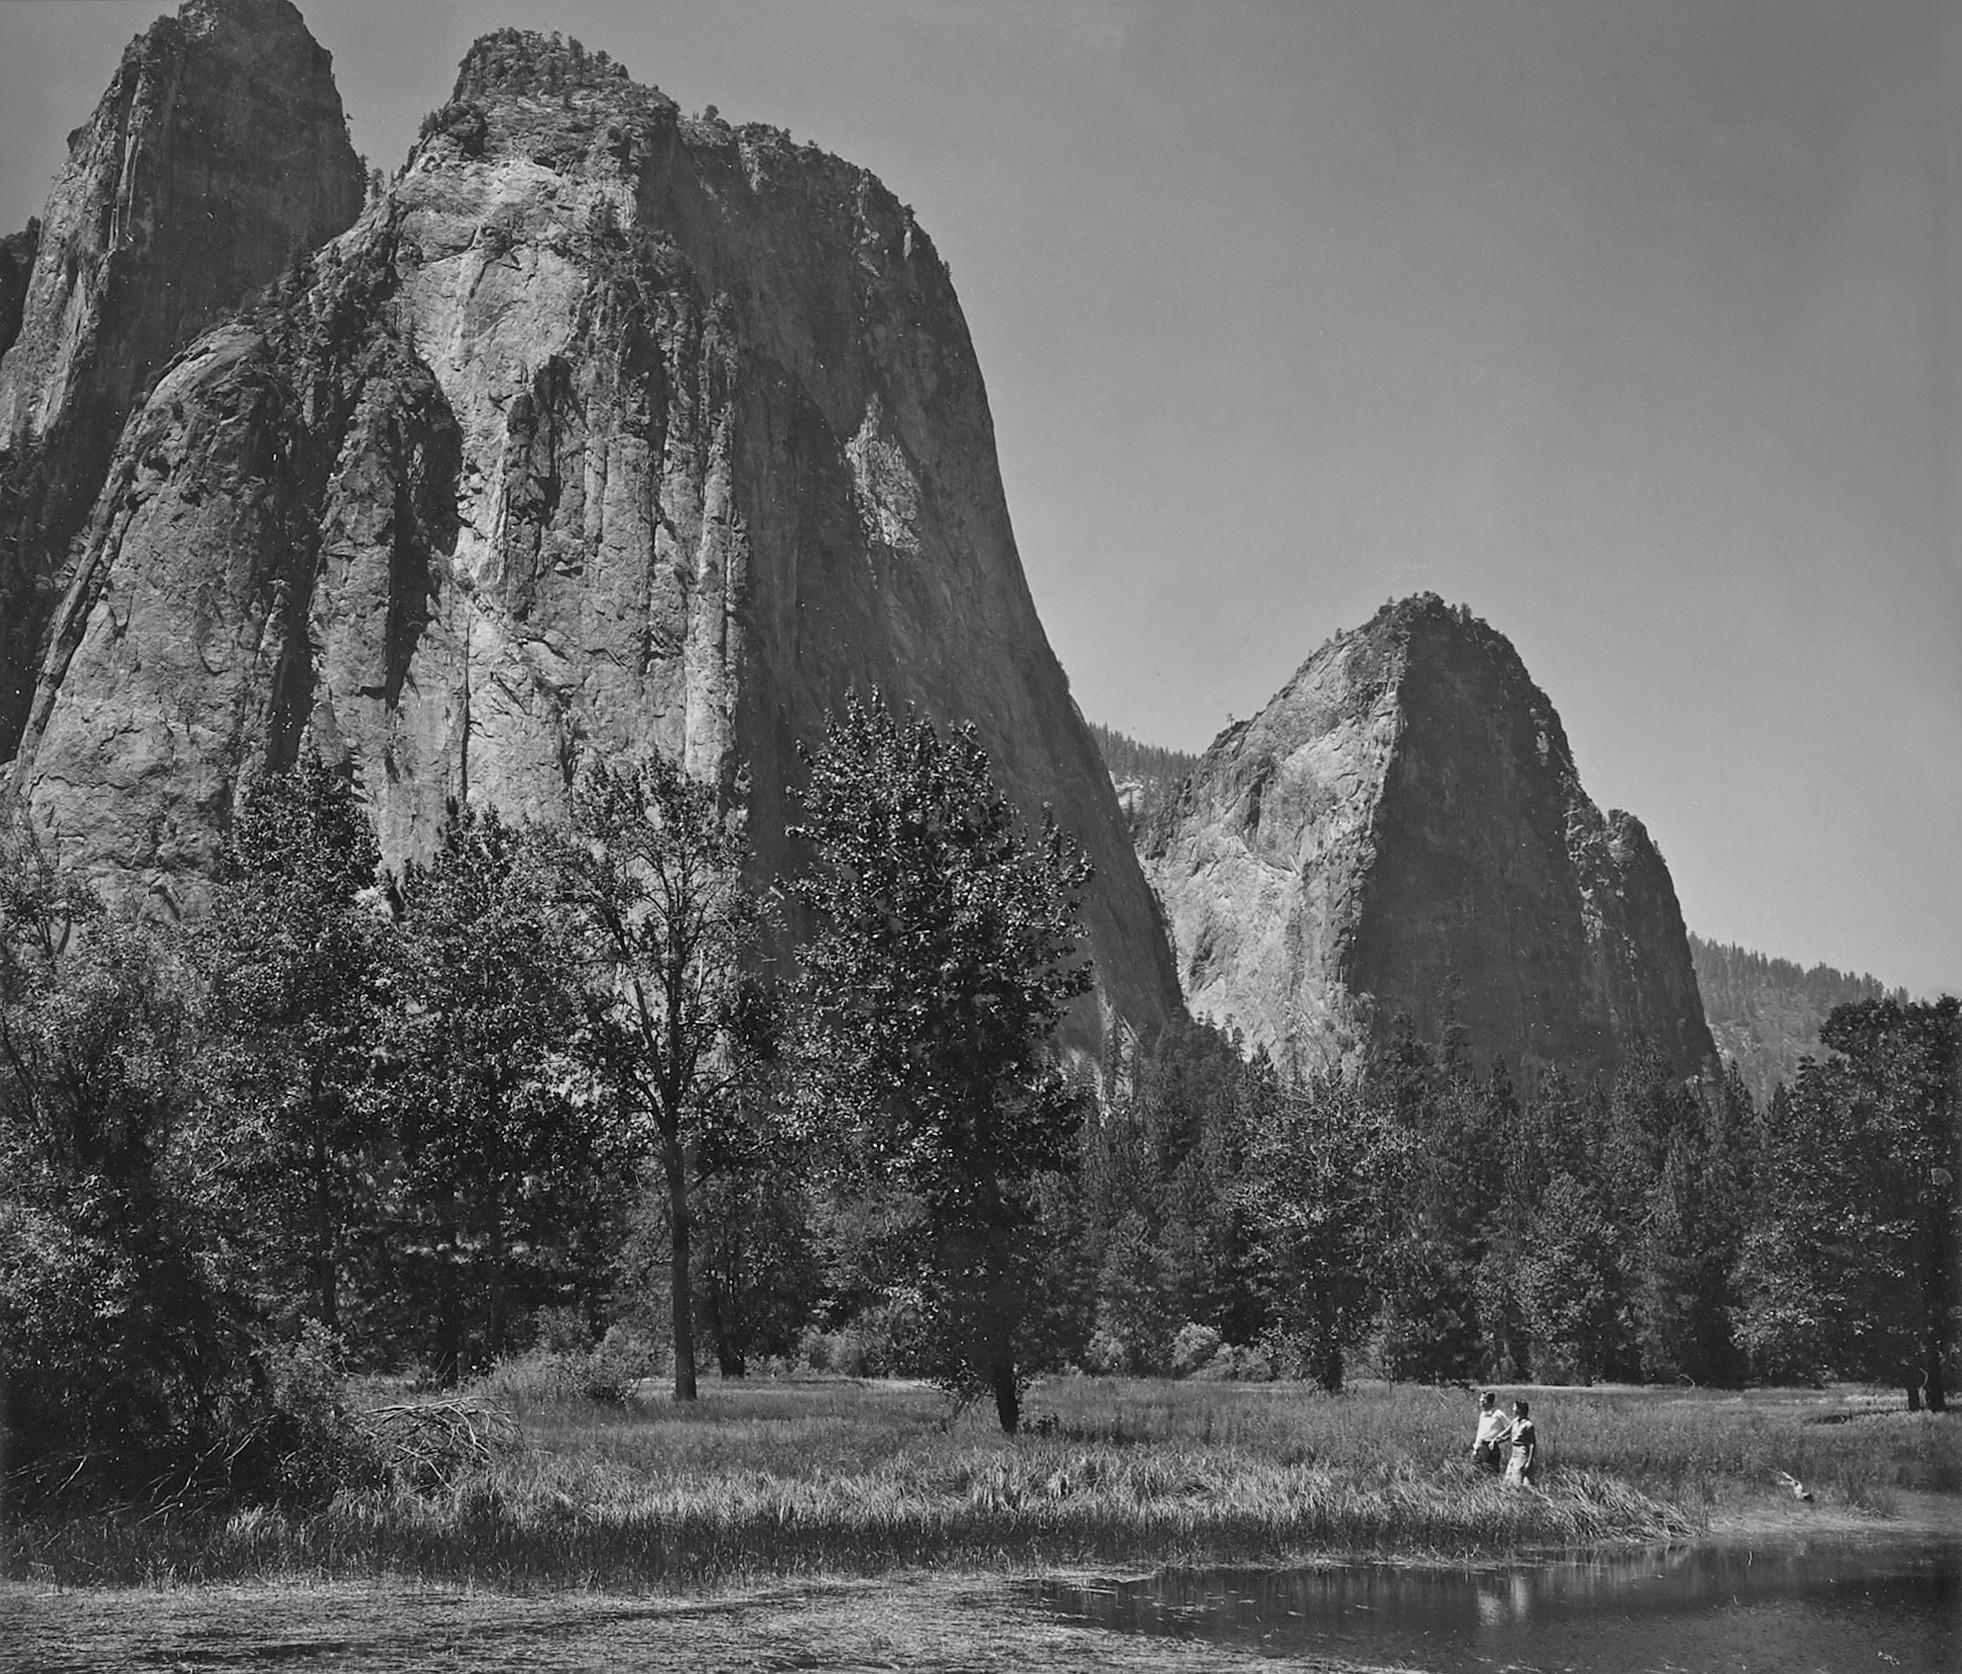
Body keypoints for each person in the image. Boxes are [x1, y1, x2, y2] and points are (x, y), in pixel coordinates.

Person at [1470, 1390, 1512, 1474]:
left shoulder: (1498, 1414)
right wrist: (1476, 1448)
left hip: (1491, 1447)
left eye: (1483, 1401)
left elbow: (1511, 1427)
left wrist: (1501, 1439)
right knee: (1477, 1471)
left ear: (1490, 1402)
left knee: (1492, 1471)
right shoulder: (1482, 1414)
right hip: (1481, 1446)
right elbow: (1480, 1432)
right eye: (1480, 1400)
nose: (1481, 1402)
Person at [1504, 1398, 1538, 1486]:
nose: (1512, 1409)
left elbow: (1532, 1445)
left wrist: (1528, 1462)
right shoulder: (1515, 1421)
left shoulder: (1528, 1425)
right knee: (1509, 1479)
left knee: (1518, 1479)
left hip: (1522, 1453)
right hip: (1514, 1453)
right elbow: (1507, 1433)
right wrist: (1496, 1439)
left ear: (1519, 1409)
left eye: (1514, 1407)